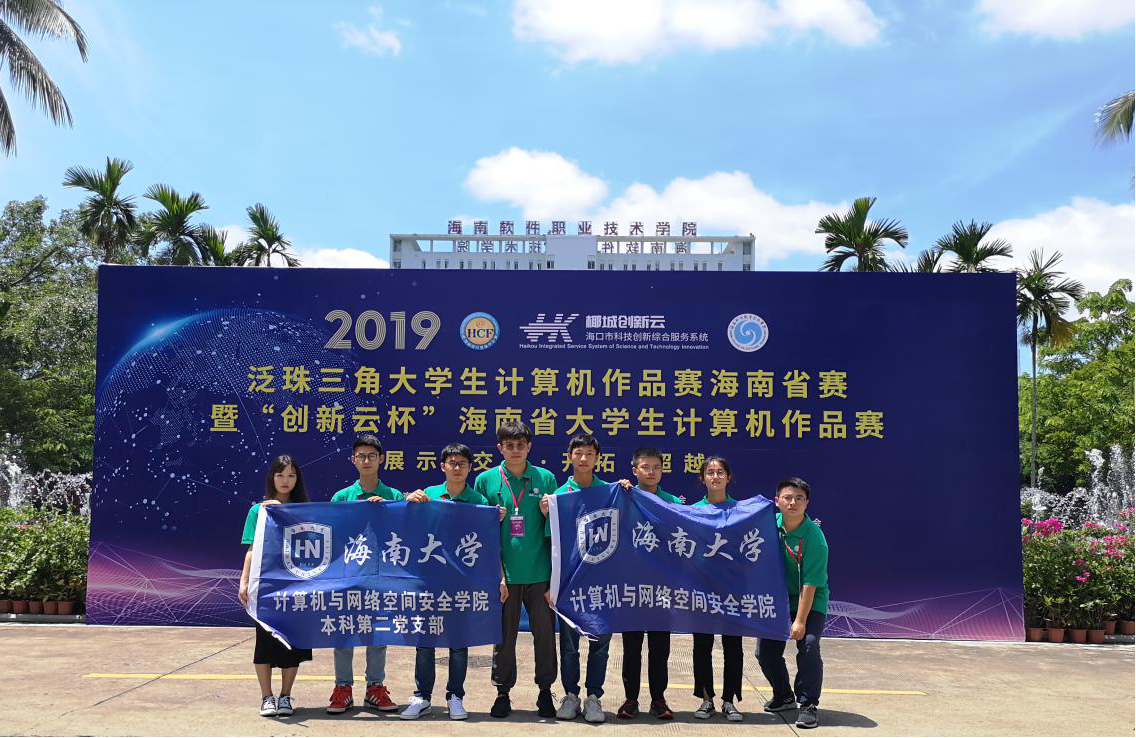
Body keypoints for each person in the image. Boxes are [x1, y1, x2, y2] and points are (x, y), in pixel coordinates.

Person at [398, 443, 494, 721]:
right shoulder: (428, 495)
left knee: (458, 643)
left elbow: (487, 542)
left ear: (470, 467)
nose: (457, 468)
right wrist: (408, 500)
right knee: (425, 641)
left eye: (462, 463)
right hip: (429, 581)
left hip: (461, 583)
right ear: (443, 467)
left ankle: (455, 697)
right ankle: (422, 697)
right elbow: (406, 523)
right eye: (452, 463)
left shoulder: (479, 501)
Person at [473, 419, 559, 719]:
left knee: (545, 638)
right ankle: (502, 693)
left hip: (540, 574)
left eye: (520, 445)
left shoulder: (546, 478)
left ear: (529, 446)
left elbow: (557, 532)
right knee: (504, 639)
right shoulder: (486, 481)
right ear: (500, 448)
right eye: (509, 446)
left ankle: (545, 691)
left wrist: (548, 514)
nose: (515, 450)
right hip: (504, 577)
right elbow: (480, 534)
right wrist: (496, 575)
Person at [326, 434, 408, 715]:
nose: (366, 461)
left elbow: (404, 532)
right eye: (361, 456)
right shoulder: (342, 497)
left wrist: (386, 511)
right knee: (344, 631)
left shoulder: (394, 496)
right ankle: (342, 688)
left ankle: (375, 687)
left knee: (378, 633)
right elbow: (333, 535)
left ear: (381, 459)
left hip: (382, 576)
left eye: (372, 456)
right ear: (353, 460)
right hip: (348, 575)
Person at [238, 454, 313, 718]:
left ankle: (285, 697)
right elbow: (251, 549)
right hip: (267, 586)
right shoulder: (258, 511)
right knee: (265, 641)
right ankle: (266, 697)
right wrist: (244, 581)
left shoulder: (304, 510)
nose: (285, 480)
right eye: (280, 474)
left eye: (291, 475)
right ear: (271, 477)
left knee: (292, 644)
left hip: (296, 586)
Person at [757, 477, 829, 730]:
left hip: (810, 600)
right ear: (777, 501)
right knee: (765, 653)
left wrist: (799, 620)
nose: (793, 503)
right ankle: (784, 695)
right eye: (787, 498)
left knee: (808, 645)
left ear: (807, 503)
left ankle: (808, 704)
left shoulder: (814, 537)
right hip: (777, 600)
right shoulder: (767, 525)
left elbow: (810, 584)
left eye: (799, 498)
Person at [547, 433, 610, 723]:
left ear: (597, 458)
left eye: (589, 454)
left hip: (603, 583)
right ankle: (570, 695)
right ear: (569, 456)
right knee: (569, 646)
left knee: (600, 644)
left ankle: (594, 697)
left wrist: (626, 489)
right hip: (569, 584)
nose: (584, 458)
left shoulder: (609, 492)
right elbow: (551, 544)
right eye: (578, 453)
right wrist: (552, 584)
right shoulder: (559, 496)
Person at [616, 447, 680, 720]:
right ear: (635, 470)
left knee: (659, 648)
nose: (651, 472)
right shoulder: (624, 496)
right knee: (631, 648)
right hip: (632, 585)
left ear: (662, 470)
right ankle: (631, 699)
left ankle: (658, 699)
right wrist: (620, 489)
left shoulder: (672, 501)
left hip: (661, 587)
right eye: (645, 467)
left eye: (656, 467)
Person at [690, 455, 744, 722]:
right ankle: (706, 699)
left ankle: (729, 701)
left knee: (733, 647)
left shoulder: (742, 511)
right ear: (702, 478)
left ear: (728, 477)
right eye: (710, 472)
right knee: (702, 646)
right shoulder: (691, 512)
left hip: (733, 590)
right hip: (702, 589)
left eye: (720, 472)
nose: (715, 476)